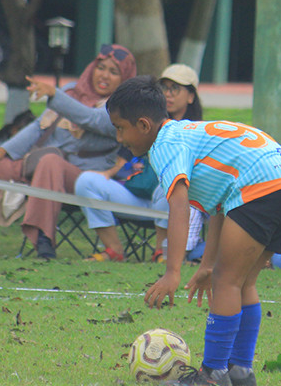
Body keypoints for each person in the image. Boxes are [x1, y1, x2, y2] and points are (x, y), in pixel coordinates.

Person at [107, 76, 281, 386]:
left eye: (121, 128)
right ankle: (241, 372)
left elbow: (179, 204)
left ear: (144, 125)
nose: (120, 138)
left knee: (227, 282)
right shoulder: (185, 134)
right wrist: (207, 265)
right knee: (242, 281)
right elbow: (220, 208)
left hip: (261, 183)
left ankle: (212, 374)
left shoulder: (164, 145)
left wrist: (173, 271)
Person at [0, 45, 136, 257]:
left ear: (124, 79)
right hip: (39, 163)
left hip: (81, 177)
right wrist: (4, 150)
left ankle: (44, 241)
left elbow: (91, 119)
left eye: (113, 72)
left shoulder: (122, 107)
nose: (104, 75)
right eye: (101, 68)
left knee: (51, 161)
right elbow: (38, 127)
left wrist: (55, 95)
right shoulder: (72, 91)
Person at [75, 63, 206, 263]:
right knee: (87, 181)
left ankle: (161, 251)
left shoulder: (192, 132)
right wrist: (110, 173)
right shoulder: (141, 125)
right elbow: (120, 160)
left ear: (191, 96)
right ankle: (113, 249)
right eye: (164, 88)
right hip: (135, 193)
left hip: (168, 200)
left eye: (175, 89)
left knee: (171, 184)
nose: (168, 94)